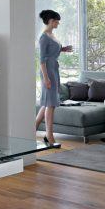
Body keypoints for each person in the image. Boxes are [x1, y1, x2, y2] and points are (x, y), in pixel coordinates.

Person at [35, 9, 73, 146]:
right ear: (51, 21)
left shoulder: (52, 35)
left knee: (48, 102)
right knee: (50, 104)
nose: (58, 23)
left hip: (54, 69)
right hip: (48, 71)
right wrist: (45, 78)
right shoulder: (44, 37)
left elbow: (53, 51)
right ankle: (49, 136)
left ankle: (30, 130)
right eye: (57, 21)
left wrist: (63, 49)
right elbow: (42, 60)